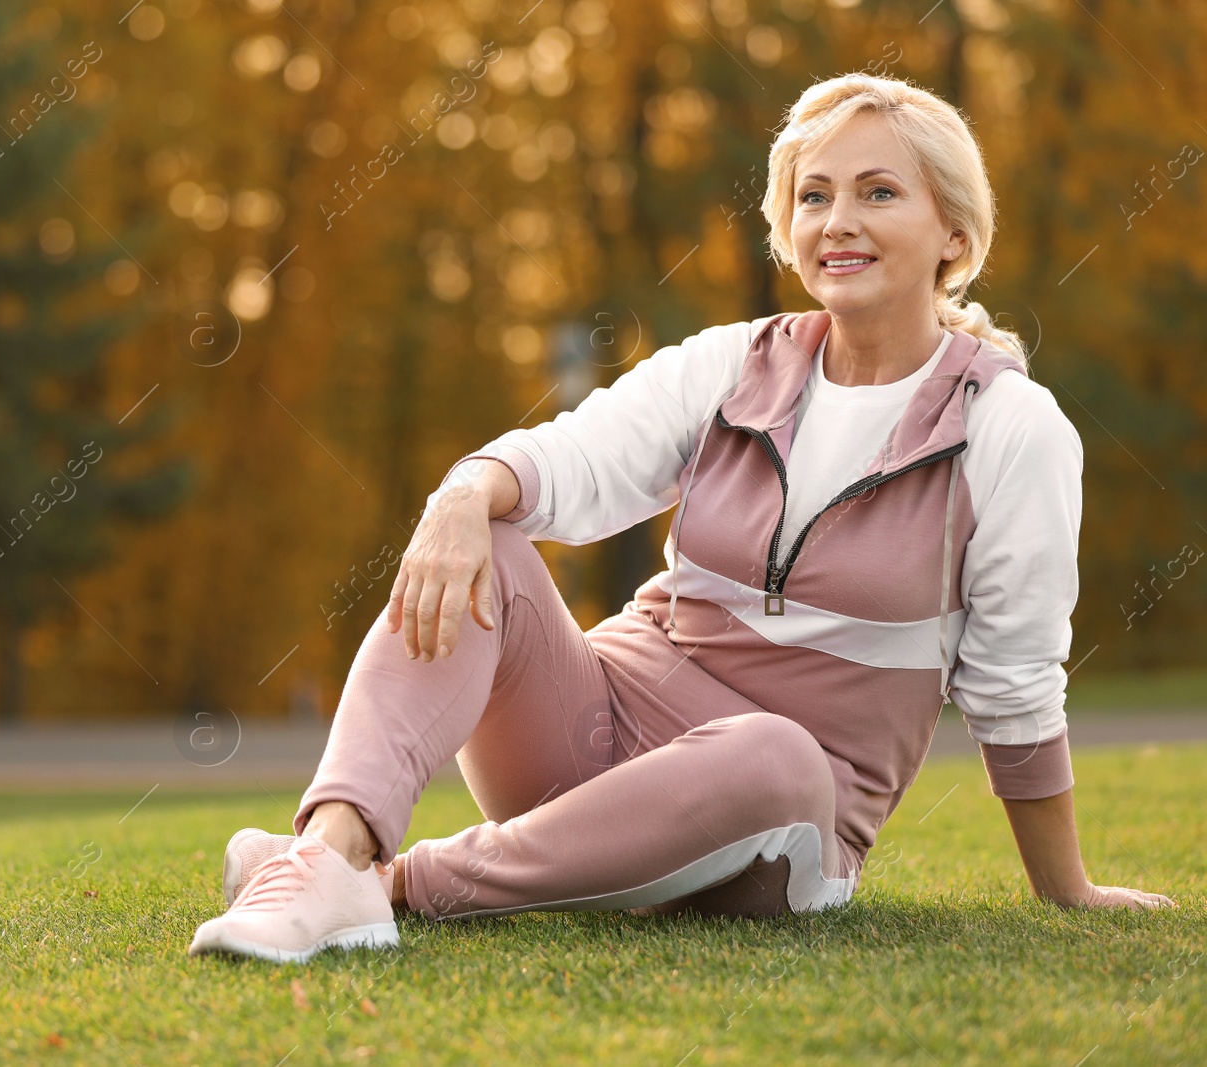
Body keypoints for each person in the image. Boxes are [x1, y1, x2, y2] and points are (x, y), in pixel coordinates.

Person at [189, 73, 1176, 964]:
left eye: (879, 191)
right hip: (588, 750)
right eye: (814, 194)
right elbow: (575, 457)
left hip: (774, 820)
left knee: (774, 748)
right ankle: (325, 855)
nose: (839, 218)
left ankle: (393, 885)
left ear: (955, 234)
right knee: (486, 533)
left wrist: (1065, 888)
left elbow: (1012, 681)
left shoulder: (1009, 428)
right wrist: (458, 494)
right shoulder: (732, 363)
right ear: (787, 226)